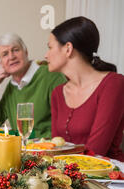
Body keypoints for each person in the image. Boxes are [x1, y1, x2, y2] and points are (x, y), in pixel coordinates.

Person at [46, 16, 124, 161]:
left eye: (50, 47)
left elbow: (97, 149)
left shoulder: (113, 84)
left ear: (68, 48)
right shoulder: (57, 93)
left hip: (109, 178)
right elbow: (56, 147)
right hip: (72, 176)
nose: (46, 55)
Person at [0, 33, 66, 139]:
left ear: (26, 52)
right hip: (25, 150)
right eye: (5, 54)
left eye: (15, 50)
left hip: (49, 149)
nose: (11, 56)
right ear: (1, 63)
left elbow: (66, 123)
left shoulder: (51, 76)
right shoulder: (12, 87)